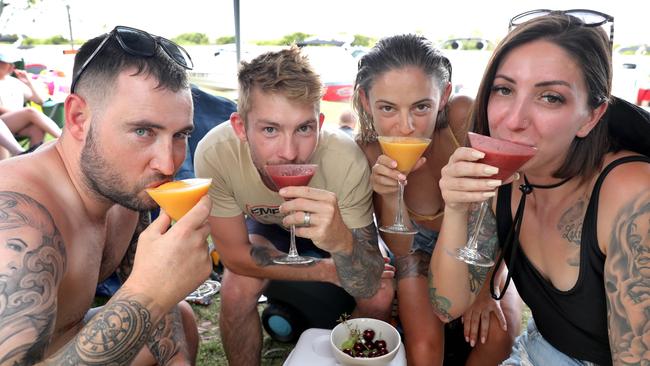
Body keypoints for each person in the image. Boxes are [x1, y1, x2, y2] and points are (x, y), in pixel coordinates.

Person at [430, 10, 650, 365]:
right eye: (504, 89)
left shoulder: (631, 193)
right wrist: (457, 209)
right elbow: (447, 304)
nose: (513, 121)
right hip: (537, 349)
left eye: (550, 97)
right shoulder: (502, 179)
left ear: (591, 116)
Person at [0, 26, 213, 365]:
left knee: (180, 315)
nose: (168, 162)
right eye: (143, 131)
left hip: (63, 343)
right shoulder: (18, 225)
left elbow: (156, 308)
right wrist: (149, 295)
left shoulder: (126, 190)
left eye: (180, 135)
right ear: (78, 118)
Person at [194, 46, 392, 365]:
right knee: (234, 290)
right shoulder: (216, 154)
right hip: (269, 228)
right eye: (270, 129)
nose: (289, 153)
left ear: (320, 122)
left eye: (303, 128)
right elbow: (233, 256)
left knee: (380, 295)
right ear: (241, 128)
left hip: (336, 228)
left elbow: (368, 279)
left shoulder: (345, 159)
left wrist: (340, 239)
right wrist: (325, 271)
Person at [354, 34, 521, 366]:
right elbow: (402, 250)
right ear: (364, 100)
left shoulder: (463, 120)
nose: (406, 127)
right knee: (427, 350)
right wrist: (390, 195)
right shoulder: (368, 150)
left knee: (499, 337)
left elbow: (508, 207)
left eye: (421, 106)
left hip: (483, 249)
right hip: (418, 255)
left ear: (443, 96)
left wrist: (486, 287)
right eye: (387, 108)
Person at [0, 50, 62, 148]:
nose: (12, 66)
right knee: (30, 111)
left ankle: (32, 158)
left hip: (17, 123)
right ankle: (63, 138)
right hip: (3, 122)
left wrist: (28, 82)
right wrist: (23, 114)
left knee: (37, 129)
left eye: (12, 63)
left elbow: (40, 101)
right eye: (7, 63)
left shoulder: (15, 82)